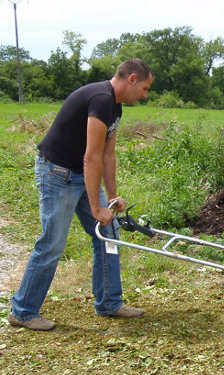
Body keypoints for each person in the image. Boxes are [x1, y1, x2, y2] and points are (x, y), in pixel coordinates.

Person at [9, 58, 154, 331]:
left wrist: (111, 198)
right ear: (132, 79)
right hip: (57, 173)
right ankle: (23, 310)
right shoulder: (100, 99)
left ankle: (110, 302)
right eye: (145, 88)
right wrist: (96, 208)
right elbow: (91, 158)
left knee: (108, 232)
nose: (145, 95)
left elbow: (108, 155)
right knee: (52, 243)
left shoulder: (115, 107)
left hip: (78, 172)